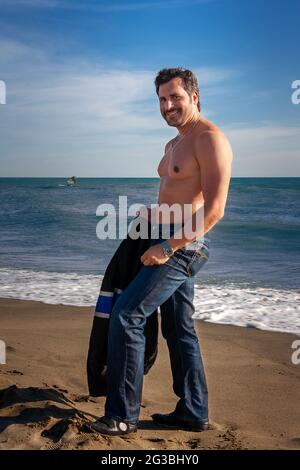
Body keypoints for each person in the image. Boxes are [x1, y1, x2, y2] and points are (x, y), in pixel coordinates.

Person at [91, 67, 233, 435]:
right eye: (162, 99)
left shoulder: (210, 138)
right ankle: (193, 411)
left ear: (194, 97)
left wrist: (169, 246)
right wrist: (150, 215)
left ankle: (122, 415)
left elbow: (215, 209)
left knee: (127, 314)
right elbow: (177, 196)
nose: (168, 105)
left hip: (184, 245)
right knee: (178, 327)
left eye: (175, 98)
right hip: (162, 234)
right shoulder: (173, 143)